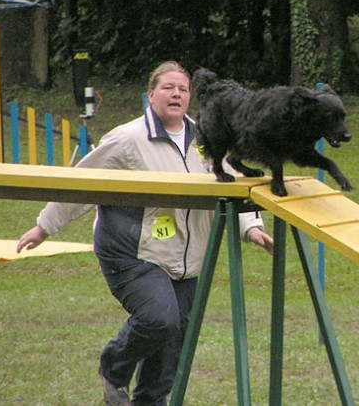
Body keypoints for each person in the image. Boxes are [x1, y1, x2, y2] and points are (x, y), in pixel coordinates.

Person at [17, 61, 274, 406]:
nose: (177, 94)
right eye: (168, 87)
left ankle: (150, 402)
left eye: (183, 89)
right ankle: (114, 368)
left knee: (173, 342)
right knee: (158, 318)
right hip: (132, 252)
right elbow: (83, 182)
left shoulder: (208, 138)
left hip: (187, 259)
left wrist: (252, 228)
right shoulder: (127, 139)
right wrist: (44, 226)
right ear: (151, 94)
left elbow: (232, 180)